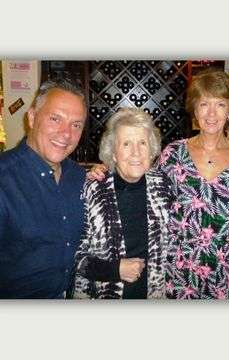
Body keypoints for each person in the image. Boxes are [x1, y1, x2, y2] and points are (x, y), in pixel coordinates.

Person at [157, 69, 229, 299]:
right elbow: (147, 195)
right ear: (195, 109)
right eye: (204, 104)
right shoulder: (172, 153)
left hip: (226, 273)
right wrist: (108, 171)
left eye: (220, 104)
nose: (211, 113)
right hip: (177, 271)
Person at [0, 78, 87, 299]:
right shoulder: (4, 178)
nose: (66, 133)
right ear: (31, 117)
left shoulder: (79, 177)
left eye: (76, 124)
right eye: (55, 119)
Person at [73, 108, 171, 299]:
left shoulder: (164, 186)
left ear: (151, 151)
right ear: (113, 153)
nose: (136, 152)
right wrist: (115, 269)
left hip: (153, 296)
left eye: (142, 143)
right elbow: (74, 255)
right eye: (126, 144)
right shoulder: (92, 190)